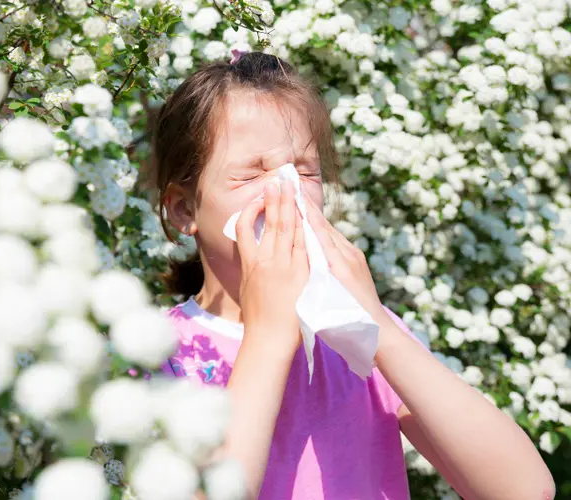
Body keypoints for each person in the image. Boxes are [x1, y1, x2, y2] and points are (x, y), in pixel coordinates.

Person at [149, 51, 554, 500]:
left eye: (305, 169)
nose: (287, 189)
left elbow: (523, 491)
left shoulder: (353, 336)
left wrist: (378, 326)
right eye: (251, 174)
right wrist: (268, 334)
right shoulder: (157, 353)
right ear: (185, 209)